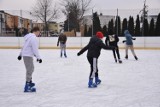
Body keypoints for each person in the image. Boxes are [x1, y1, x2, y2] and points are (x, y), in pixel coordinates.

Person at [17, 26, 42, 92]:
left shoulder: (28, 37)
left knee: (31, 69)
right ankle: (27, 85)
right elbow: (35, 49)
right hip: (28, 56)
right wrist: (38, 58)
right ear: (36, 31)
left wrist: (20, 54)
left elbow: (24, 46)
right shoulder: (33, 38)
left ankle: (29, 82)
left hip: (26, 55)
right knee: (30, 70)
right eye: (39, 32)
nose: (39, 33)